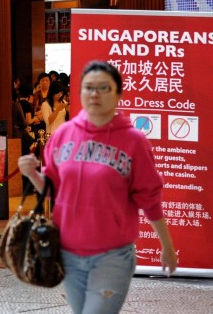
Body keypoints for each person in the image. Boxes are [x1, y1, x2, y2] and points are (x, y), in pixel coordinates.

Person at [18, 60, 176, 314]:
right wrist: (32, 174)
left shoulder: (133, 141)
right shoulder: (64, 134)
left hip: (112, 257)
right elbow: (51, 190)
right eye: (89, 87)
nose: (95, 94)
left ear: (118, 94)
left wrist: (166, 247)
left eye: (104, 88)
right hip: (68, 253)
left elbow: (150, 197)